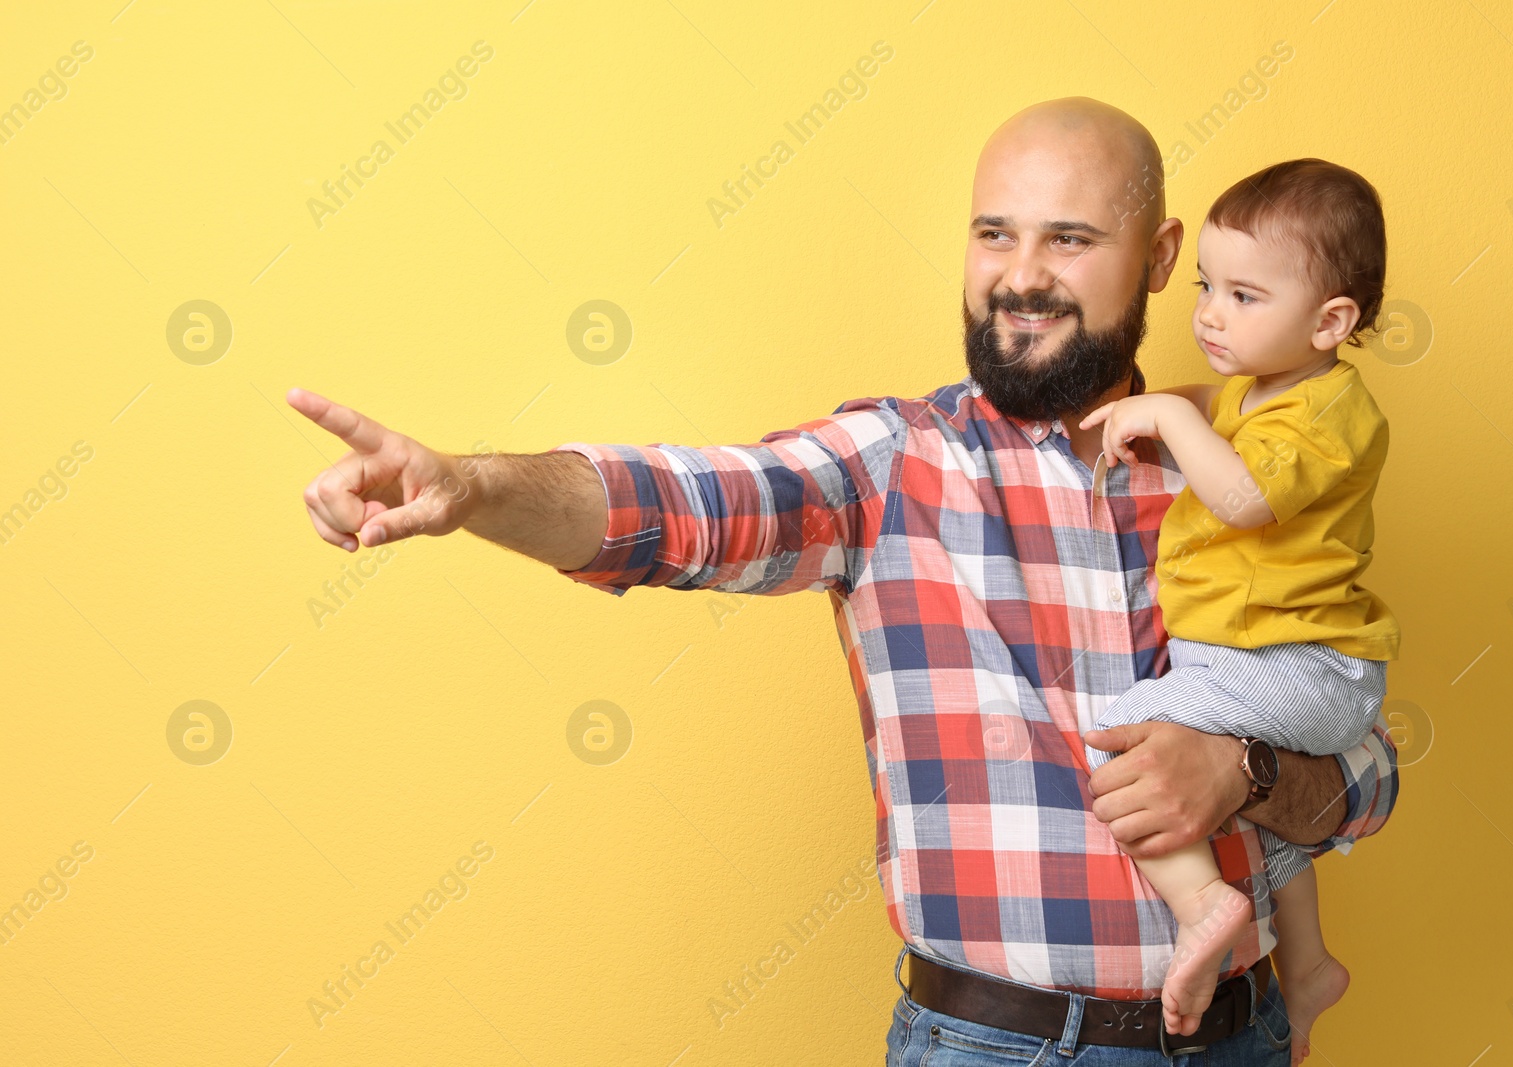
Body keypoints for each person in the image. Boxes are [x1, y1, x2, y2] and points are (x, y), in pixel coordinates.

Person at [289, 97, 1399, 1065]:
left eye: (1068, 238)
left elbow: (1366, 768)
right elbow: (680, 504)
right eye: (992, 234)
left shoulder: (1241, 466)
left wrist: (1240, 768)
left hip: (1240, 1037)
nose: (1020, 274)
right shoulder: (891, 463)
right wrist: (472, 486)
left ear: (1157, 258)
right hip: (996, 1047)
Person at [1078, 158, 1399, 1064]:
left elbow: (1246, 496)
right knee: (1256, 819)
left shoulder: (1330, 410)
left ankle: (1203, 907)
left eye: (1245, 295)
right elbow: (1202, 407)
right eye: (1207, 286)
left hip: (1307, 665)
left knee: (1129, 725)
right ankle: (1307, 966)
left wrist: (1170, 424)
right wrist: (1132, 409)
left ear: (1331, 320)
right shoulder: (1265, 387)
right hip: (1257, 662)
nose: (1211, 312)